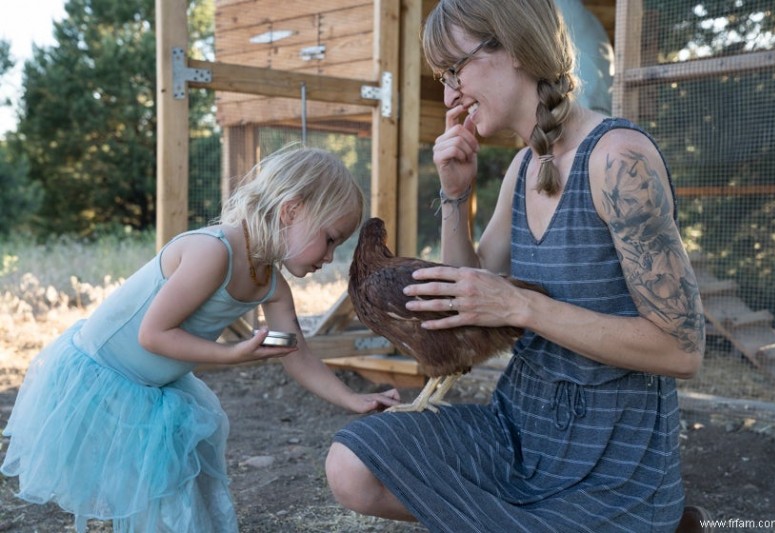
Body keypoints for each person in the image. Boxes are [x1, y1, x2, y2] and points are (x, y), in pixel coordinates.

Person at [325, 1, 706, 531]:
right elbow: (467, 301)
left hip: (612, 455)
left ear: (516, 49)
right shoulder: (524, 168)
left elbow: (682, 349)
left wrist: (525, 306)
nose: (450, 93)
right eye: (443, 76)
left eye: (456, 69)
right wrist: (455, 194)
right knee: (352, 466)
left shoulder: (618, 158)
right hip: (518, 426)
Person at [1, 145, 400, 533]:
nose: (330, 256)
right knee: (149, 496)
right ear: (291, 210)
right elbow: (153, 334)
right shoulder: (213, 251)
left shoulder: (272, 286)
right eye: (330, 238)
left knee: (178, 493)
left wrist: (353, 399)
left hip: (154, 387)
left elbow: (295, 353)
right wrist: (231, 354)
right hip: (104, 377)